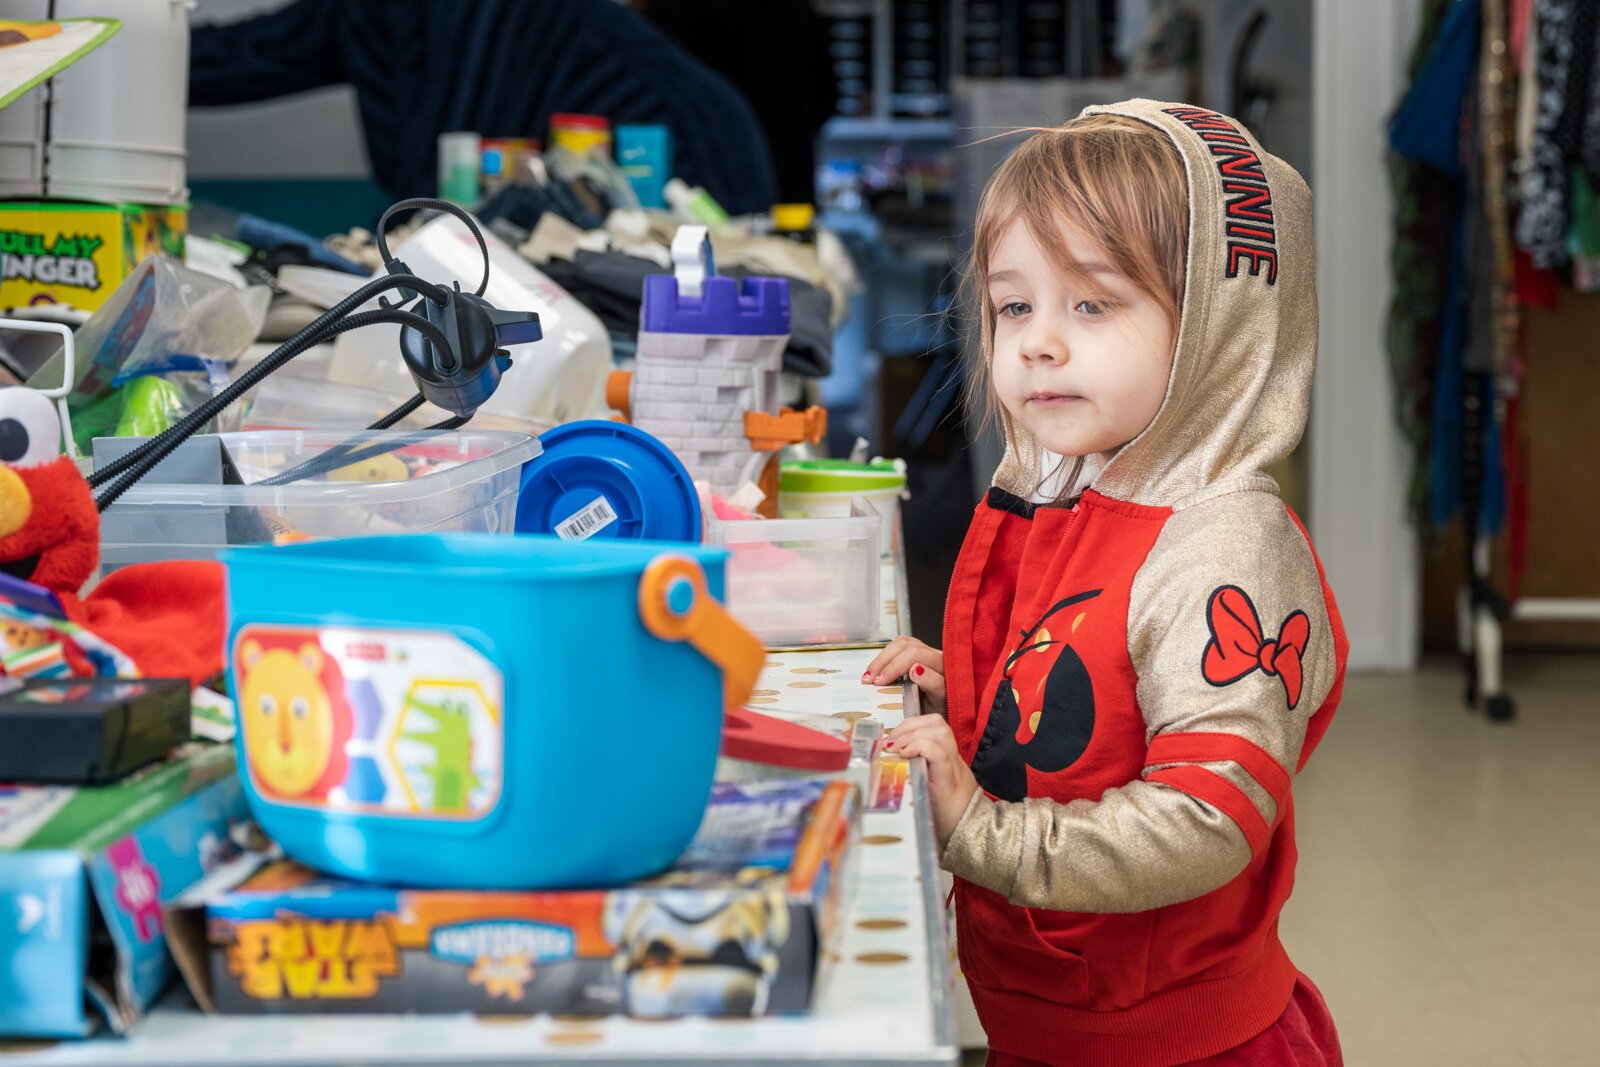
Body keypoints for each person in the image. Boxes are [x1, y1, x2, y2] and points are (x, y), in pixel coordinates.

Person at [863, 100, 1349, 1067]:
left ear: (1220, 334)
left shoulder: (1222, 547)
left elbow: (1208, 814)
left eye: (1091, 303)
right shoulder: (1082, 486)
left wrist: (981, 830)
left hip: (1175, 1046)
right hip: (1052, 1024)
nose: (1039, 341)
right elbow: (1094, 699)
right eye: (1014, 305)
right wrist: (975, 702)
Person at [188, 0, 778, 215]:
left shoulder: (663, 98)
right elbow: (242, 58)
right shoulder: (367, 16)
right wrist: (119, 45)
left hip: (696, 176)